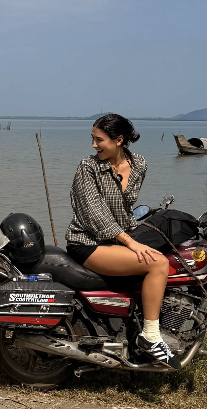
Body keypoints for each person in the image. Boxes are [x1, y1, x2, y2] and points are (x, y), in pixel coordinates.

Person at [65, 113, 179, 368]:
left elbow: (125, 207)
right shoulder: (88, 167)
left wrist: (137, 230)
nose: (94, 145)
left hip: (118, 239)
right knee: (158, 263)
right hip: (88, 242)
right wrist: (130, 241)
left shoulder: (139, 165)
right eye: (93, 139)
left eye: (99, 140)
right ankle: (151, 337)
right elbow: (94, 213)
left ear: (119, 140)